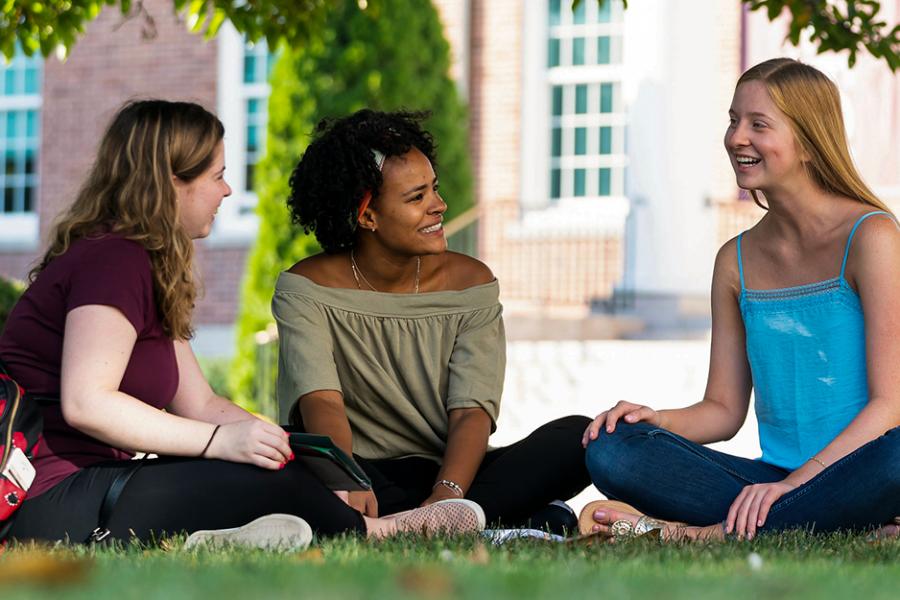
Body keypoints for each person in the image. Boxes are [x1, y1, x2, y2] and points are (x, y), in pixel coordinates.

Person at [0, 100, 484, 546]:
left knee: (280, 460)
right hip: (48, 498)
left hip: (92, 485)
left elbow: (201, 403)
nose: (227, 190)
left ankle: (235, 534)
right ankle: (380, 532)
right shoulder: (112, 262)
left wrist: (290, 447)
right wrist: (221, 443)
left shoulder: (140, 263)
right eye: (217, 175)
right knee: (264, 473)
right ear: (171, 181)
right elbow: (88, 403)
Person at [581, 58, 900, 542]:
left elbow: (889, 405)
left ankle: (697, 535)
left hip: (858, 467)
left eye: (758, 124)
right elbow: (724, 409)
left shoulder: (871, 237)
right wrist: (655, 420)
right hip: (770, 481)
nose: (736, 138)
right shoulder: (735, 261)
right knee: (613, 449)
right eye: (733, 121)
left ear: (810, 142)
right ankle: (842, 526)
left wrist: (796, 484)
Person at [274, 109, 591, 532]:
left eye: (434, 190)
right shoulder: (306, 288)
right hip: (359, 470)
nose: (439, 206)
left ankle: (426, 520)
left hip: (450, 473)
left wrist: (448, 492)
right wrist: (348, 477)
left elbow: (470, 411)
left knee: (579, 438)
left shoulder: (471, 283)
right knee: (283, 467)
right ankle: (496, 517)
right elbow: (321, 402)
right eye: (416, 198)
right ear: (367, 216)